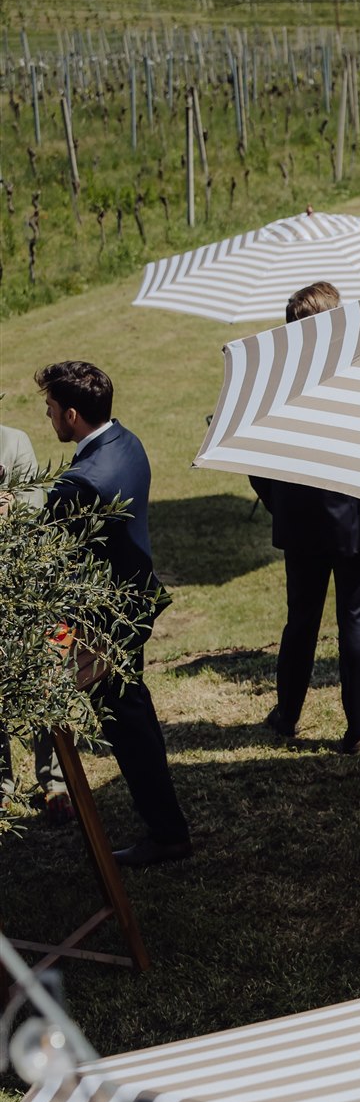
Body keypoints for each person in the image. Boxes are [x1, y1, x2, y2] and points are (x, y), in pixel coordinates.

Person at [34, 361, 192, 866]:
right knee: (134, 718)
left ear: (74, 414)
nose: (49, 417)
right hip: (130, 602)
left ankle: (167, 833)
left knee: (127, 726)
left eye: (52, 409)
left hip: (105, 624)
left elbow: (40, 540)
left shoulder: (83, 482)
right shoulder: (126, 442)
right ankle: (165, 824)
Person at [251, 281, 360, 753]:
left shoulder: (275, 380)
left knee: (300, 623)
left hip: (301, 524)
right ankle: (357, 727)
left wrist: (283, 504)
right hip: (358, 522)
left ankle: (286, 716)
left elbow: (255, 460)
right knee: (357, 629)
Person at [0, 418, 69, 821]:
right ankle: (2, 785)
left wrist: (13, 509)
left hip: (24, 588)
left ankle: (56, 781)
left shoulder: (13, 441)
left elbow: (36, 504)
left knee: (45, 678)